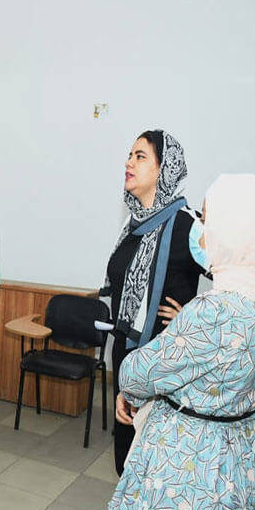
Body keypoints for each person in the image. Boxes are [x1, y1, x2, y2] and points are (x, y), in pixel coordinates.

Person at [84, 173, 255, 510]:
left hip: (190, 464)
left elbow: (137, 372)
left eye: (207, 218)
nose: (199, 228)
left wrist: (135, 381)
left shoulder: (214, 311)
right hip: (243, 455)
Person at [100, 130, 208, 477]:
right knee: (125, 461)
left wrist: (193, 319)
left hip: (165, 363)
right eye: (129, 155)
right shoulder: (133, 227)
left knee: (156, 468)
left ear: (165, 168)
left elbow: (234, 277)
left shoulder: (187, 224)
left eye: (141, 156)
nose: (129, 162)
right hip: (127, 356)